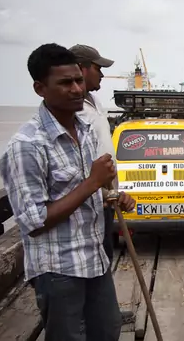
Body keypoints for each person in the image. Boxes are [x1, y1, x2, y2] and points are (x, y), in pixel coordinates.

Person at [0, 43, 135, 341]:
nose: (77, 89)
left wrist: (112, 197)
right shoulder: (27, 146)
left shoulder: (84, 129)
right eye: (65, 83)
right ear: (40, 88)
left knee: (108, 330)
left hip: (94, 258)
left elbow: (88, 194)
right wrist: (92, 184)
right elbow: (33, 222)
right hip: (58, 270)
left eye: (77, 80)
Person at [69, 44, 117, 262]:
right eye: (98, 68)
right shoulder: (74, 110)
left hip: (106, 197)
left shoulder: (94, 102)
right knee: (95, 255)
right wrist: (102, 192)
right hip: (93, 197)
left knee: (104, 253)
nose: (102, 74)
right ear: (81, 68)